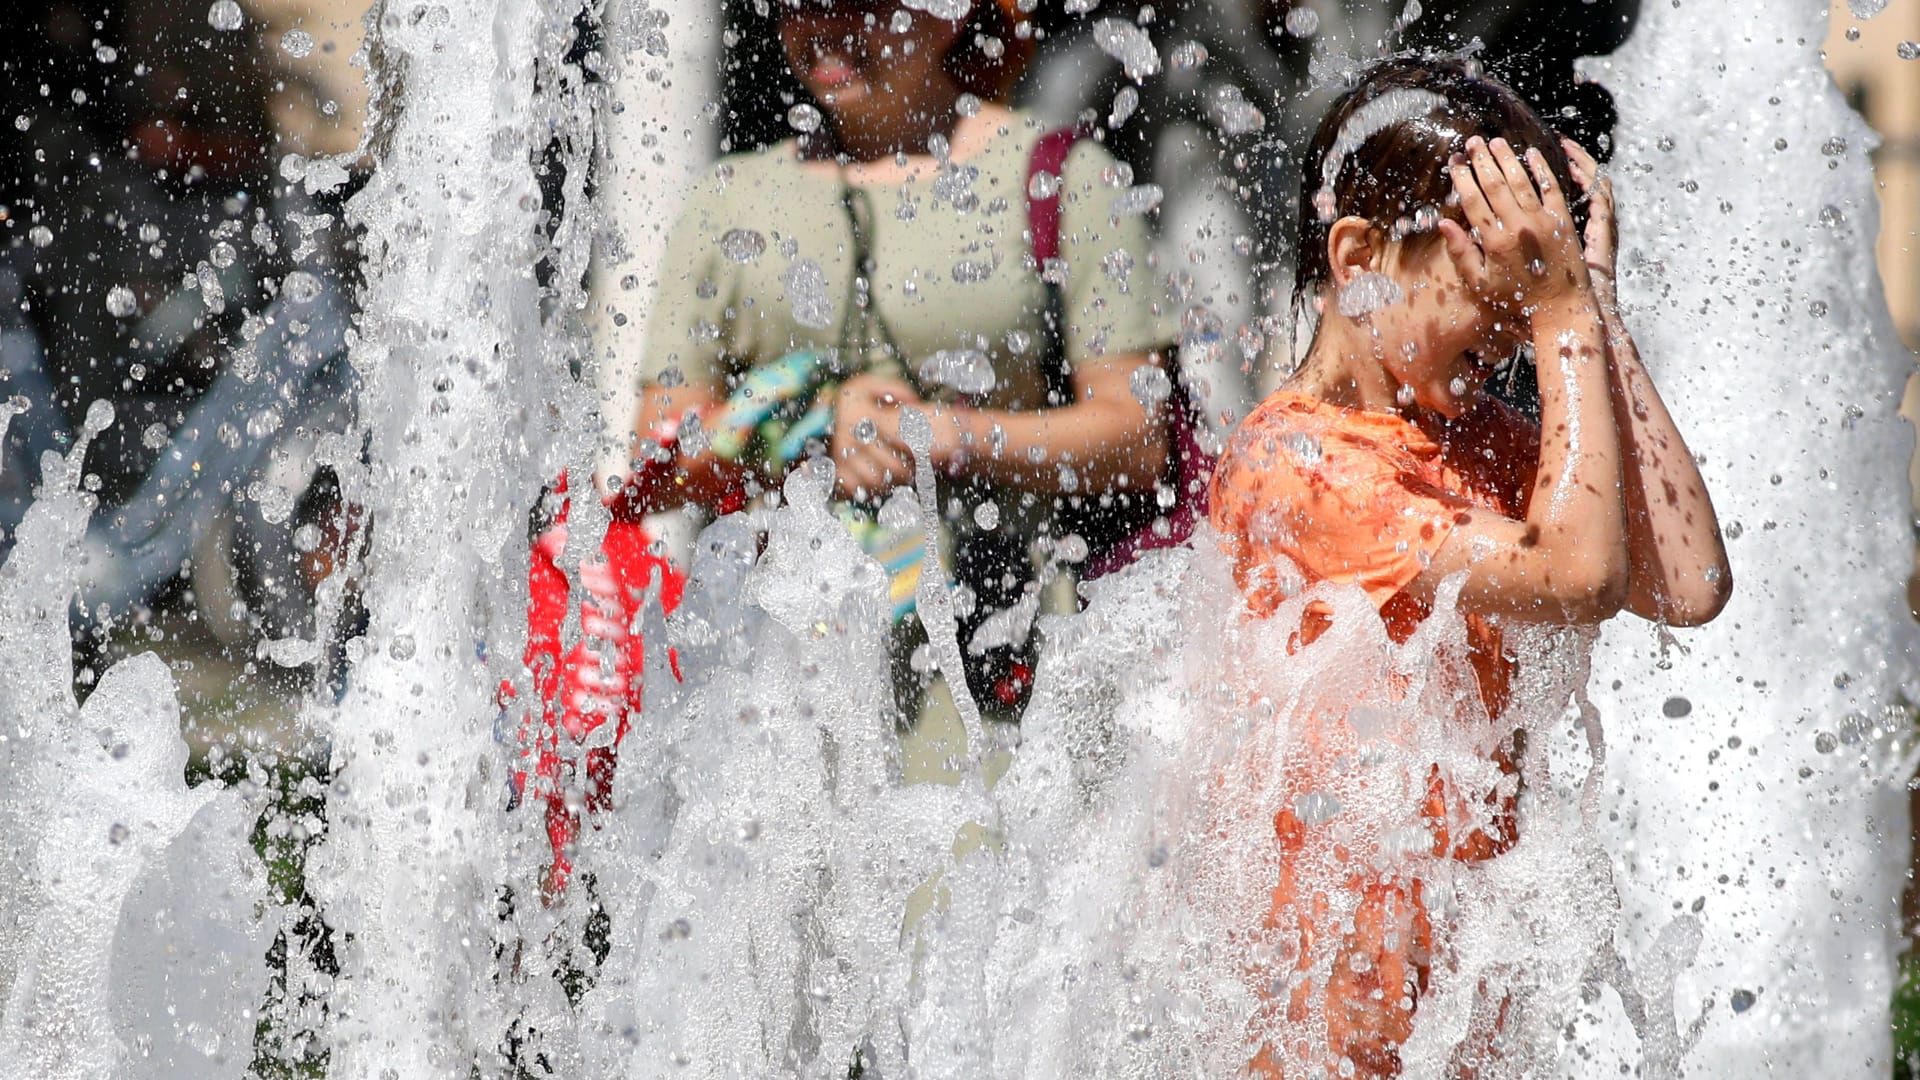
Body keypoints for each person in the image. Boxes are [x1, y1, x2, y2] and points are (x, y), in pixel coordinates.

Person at [1206, 59, 1731, 1077]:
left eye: (1523, 313)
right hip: (1317, 1028)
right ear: (1358, 256)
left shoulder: (1475, 439)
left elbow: (1687, 584)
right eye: (1492, 308)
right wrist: (1563, 319)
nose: (1511, 337)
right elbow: (1574, 576)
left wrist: (1600, 314)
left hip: (1457, 1019)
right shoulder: (1294, 467)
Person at [623, 0, 1175, 771]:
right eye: (794, 5)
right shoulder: (731, 199)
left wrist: (946, 437)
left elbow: (1137, 437)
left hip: (1007, 691)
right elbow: (659, 459)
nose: (822, 27)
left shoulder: (1061, 177)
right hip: (776, 709)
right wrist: (812, 425)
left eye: (858, 3)